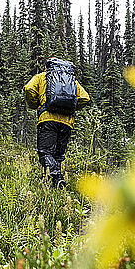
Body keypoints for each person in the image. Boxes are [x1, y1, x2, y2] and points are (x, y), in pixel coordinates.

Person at [24, 57, 90, 188]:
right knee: (58, 155)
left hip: (47, 119)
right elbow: (85, 98)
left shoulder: (42, 76)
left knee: (45, 152)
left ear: (47, 67)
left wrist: (35, 104)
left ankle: (56, 176)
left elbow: (28, 89)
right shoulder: (72, 80)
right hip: (67, 123)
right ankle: (54, 183)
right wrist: (70, 107)